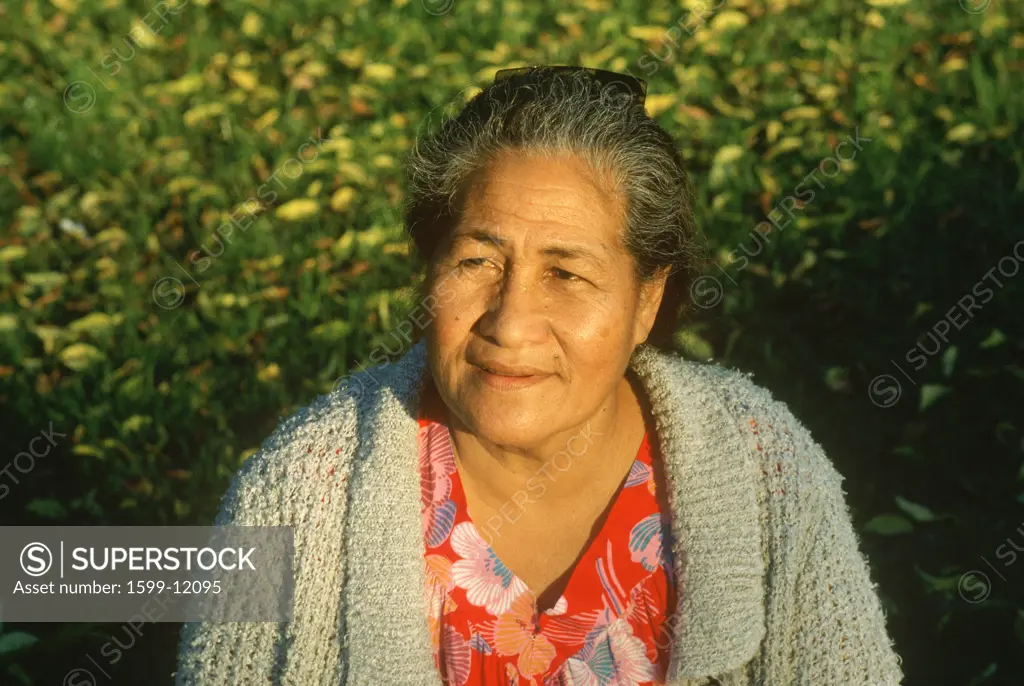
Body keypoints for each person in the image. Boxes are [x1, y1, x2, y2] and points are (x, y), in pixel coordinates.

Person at [175, 66, 903, 685]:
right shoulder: (299, 489)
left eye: (567, 272)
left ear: (646, 299)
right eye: (477, 262)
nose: (511, 322)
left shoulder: (760, 463)